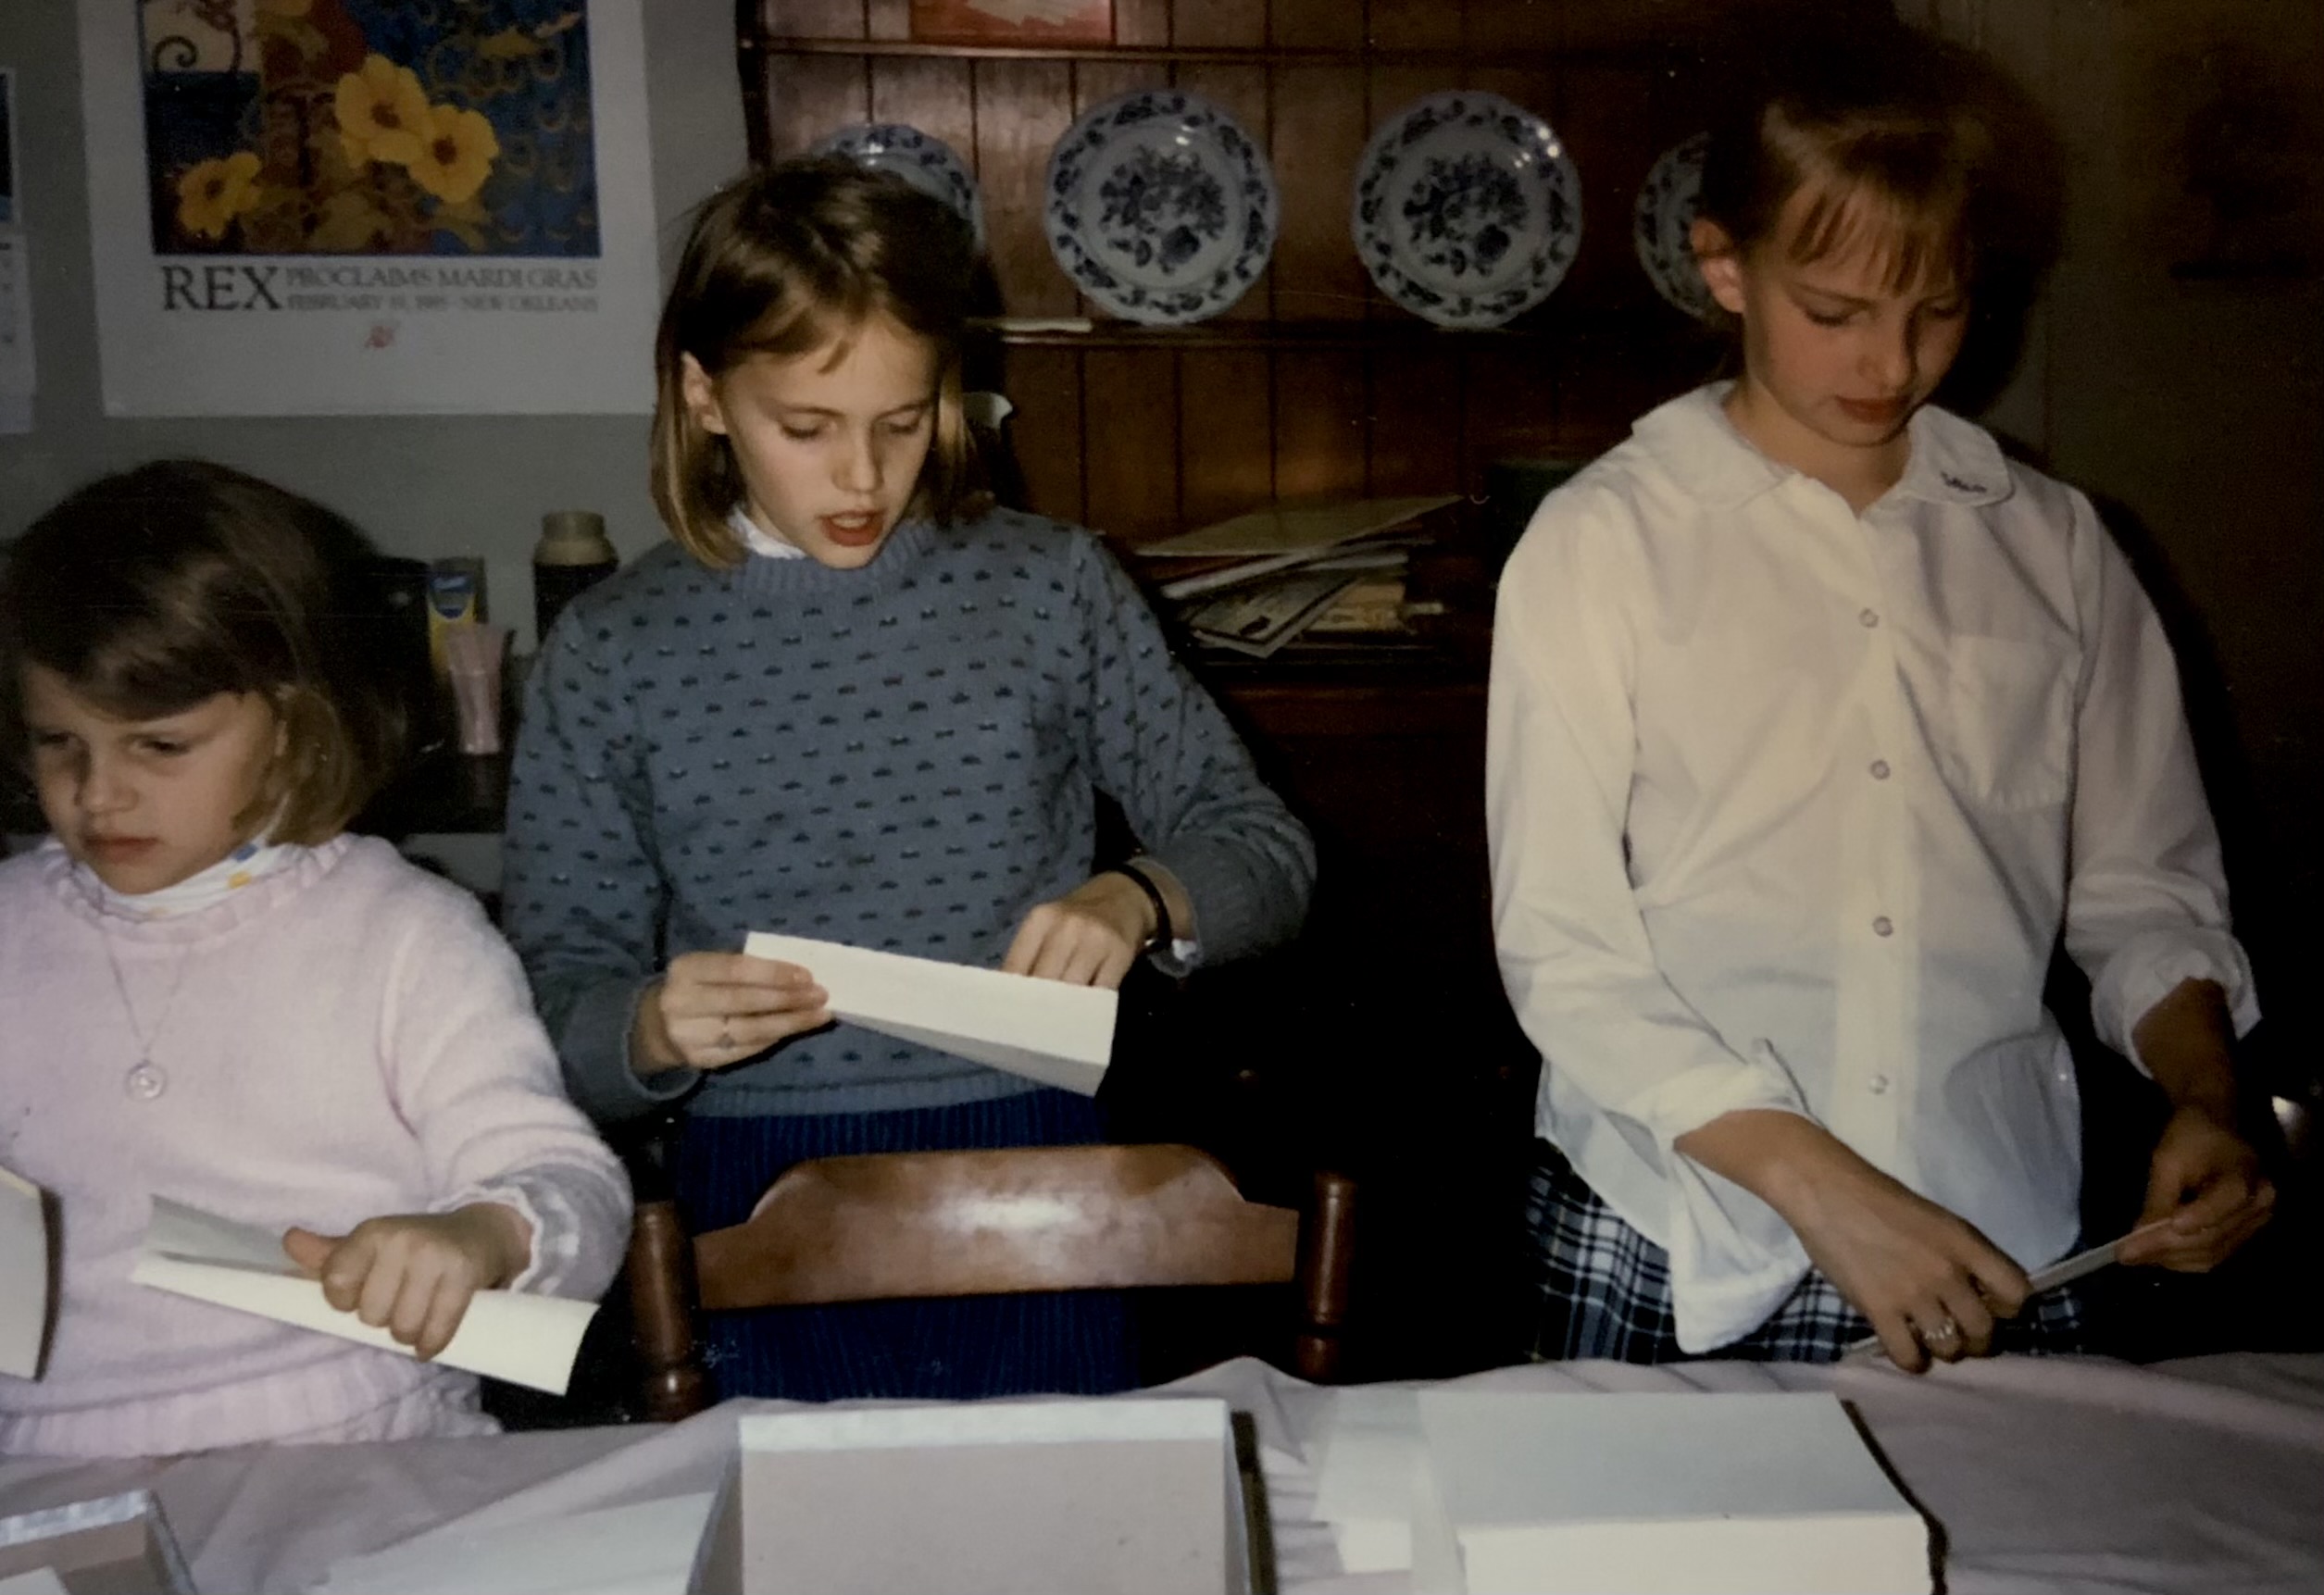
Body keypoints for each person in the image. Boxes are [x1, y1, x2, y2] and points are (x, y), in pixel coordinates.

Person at [1487, 20, 2275, 1374]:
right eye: (1835, 313)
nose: (1890, 365)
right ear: (1723, 265)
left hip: (1999, 1220)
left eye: (1940, 310)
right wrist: (1813, 1176)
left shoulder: (2057, 547)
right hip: (1688, 1221)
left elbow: (2142, 891)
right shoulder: (1606, 539)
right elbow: (1562, 943)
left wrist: (2205, 1093)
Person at [502, 158, 1315, 1402]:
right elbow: (550, 999)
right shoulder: (613, 650)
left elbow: (1264, 851)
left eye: (903, 419)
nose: (864, 479)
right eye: (807, 428)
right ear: (703, 395)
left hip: (1036, 1161)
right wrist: (648, 1025)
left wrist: (1140, 897)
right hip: (757, 1182)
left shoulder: (1052, 587)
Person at [0, 461, 631, 1457]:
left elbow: (566, 1182)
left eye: (160, 747)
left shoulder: (402, 933)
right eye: (56, 743)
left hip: (358, 1434)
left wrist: (481, 1235)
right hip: (44, 1456)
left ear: (292, 727)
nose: (98, 794)